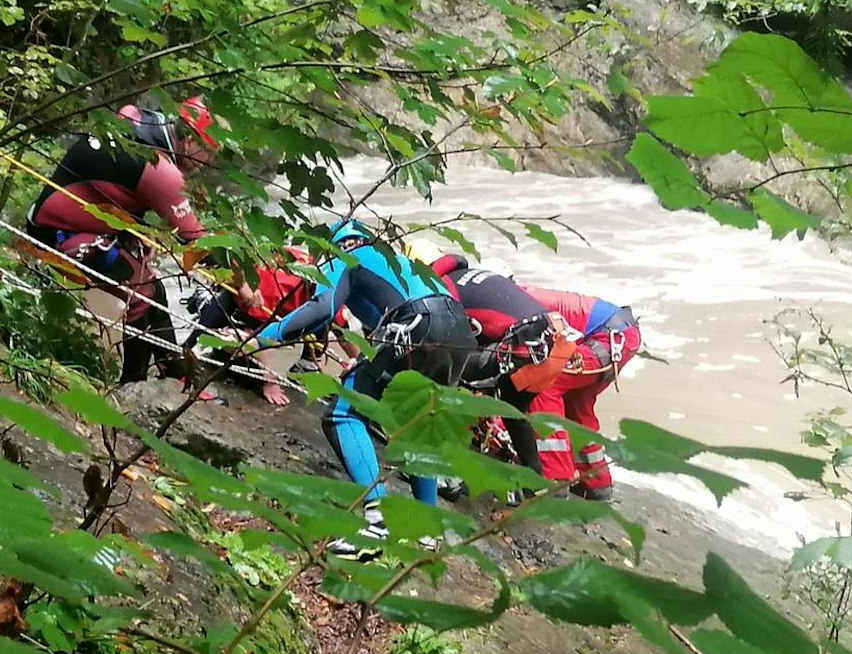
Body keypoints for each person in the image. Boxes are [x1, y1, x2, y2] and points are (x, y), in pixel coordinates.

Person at [246, 219, 473, 559]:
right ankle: (427, 530)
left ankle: (378, 519)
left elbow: (322, 309)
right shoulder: (396, 261)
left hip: (415, 325)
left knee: (343, 415)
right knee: (414, 425)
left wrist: (267, 335)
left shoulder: (349, 254)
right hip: (457, 330)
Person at [23, 96, 230, 386]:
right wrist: (243, 286)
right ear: (191, 142)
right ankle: (134, 385)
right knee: (140, 292)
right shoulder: (161, 172)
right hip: (58, 236)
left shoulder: (134, 119)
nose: (209, 162)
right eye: (209, 152)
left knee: (155, 288)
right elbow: (196, 241)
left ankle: (176, 374)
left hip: (63, 222)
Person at [423, 252, 574, 481]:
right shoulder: (475, 276)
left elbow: (448, 341)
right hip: (558, 343)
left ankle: (450, 475)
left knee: (445, 371)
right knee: (513, 409)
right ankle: (535, 482)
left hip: (527, 346)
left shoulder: (443, 289)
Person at [523, 285, 641, 502]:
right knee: (576, 403)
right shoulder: (517, 295)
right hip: (619, 335)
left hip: (608, 339)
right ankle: (596, 483)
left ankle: (554, 480)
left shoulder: (514, 304)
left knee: (543, 385)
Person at [183, 246, 337, 405]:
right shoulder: (280, 288)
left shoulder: (331, 290)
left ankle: (305, 365)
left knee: (323, 320)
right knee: (248, 369)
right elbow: (259, 335)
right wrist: (270, 382)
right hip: (245, 298)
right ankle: (205, 308)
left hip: (276, 298)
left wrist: (354, 360)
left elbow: (341, 326)